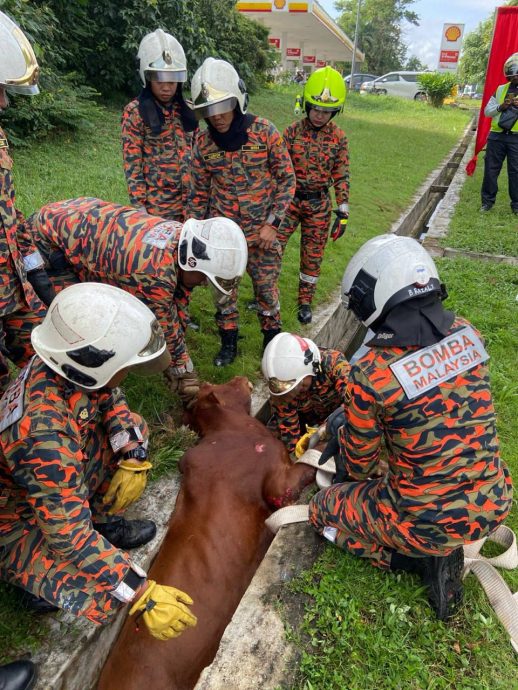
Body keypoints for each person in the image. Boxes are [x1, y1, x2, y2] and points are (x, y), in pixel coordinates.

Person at [310, 234, 513, 620]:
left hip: (426, 523)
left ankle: (412, 561)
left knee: (321, 512)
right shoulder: (469, 334)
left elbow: (359, 467)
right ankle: (436, 546)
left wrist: (347, 428)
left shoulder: (371, 373)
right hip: (492, 502)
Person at [0, 283, 197, 640]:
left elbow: (112, 400)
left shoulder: (66, 368)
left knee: (132, 429)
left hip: (51, 490)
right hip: (15, 523)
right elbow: (69, 536)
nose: (127, 372)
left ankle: (102, 522)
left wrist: (133, 456)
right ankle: (33, 582)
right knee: (101, 594)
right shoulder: (43, 436)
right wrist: (141, 593)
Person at [25, 197, 247, 407]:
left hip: (74, 220)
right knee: (79, 318)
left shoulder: (181, 239)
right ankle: (70, 388)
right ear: (190, 262)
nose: (202, 285)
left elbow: (177, 301)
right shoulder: (154, 273)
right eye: (204, 278)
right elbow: (163, 325)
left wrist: (180, 356)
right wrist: (183, 372)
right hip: (47, 238)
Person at [188, 58, 296, 366]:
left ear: (237, 101)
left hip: (263, 235)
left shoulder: (264, 133)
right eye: (209, 110)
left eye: (223, 107)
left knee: (266, 291)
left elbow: (288, 179)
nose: (217, 117)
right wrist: (194, 233)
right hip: (224, 237)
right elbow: (197, 192)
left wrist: (273, 224)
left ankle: (272, 343)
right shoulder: (203, 142)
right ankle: (228, 343)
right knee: (224, 294)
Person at [0, 12, 55, 395]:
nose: (4, 101)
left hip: (13, 285)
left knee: (45, 358)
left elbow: (11, 214)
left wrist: (36, 271)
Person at [277, 66, 349, 325]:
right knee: (273, 246)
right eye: (316, 109)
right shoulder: (291, 133)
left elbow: (341, 175)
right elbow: (277, 169)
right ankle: (266, 292)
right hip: (290, 201)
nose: (320, 116)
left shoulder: (339, 138)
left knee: (313, 254)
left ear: (335, 112)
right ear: (307, 105)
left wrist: (343, 211)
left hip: (319, 204)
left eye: (327, 112)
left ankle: (305, 301)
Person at [121, 28, 197, 221]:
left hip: (191, 204)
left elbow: (198, 153)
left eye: (172, 80)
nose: (166, 87)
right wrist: (139, 207)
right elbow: (133, 163)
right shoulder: (135, 112)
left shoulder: (188, 110)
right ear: (146, 77)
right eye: (159, 79)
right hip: (157, 207)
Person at [261, 332, 350, 455]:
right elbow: (288, 425)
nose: (298, 392)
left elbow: (354, 402)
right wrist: (295, 456)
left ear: (312, 369)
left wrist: (325, 430)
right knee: (268, 441)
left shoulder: (335, 363)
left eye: (300, 386)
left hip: (334, 418)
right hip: (303, 419)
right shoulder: (281, 384)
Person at [481, 52, 518, 215]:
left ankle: (516, 205)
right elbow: (487, 112)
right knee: (491, 169)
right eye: (513, 74)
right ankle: (487, 203)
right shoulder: (501, 89)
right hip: (496, 136)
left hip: (516, 138)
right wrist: (501, 107)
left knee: (516, 172)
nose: (515, 77)